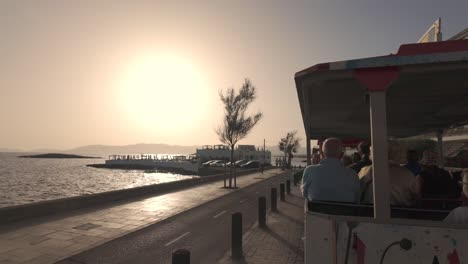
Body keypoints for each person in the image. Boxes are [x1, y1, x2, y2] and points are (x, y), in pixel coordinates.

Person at [360, 141, 422, 207]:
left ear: (374, 152)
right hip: (402, 214)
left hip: (370, 212)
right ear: (398, 154)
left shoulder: (366, 170)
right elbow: (416, 197)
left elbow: (358, 191)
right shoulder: (407, 173)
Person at [301, 138, 360, 203]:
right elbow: (357, 198)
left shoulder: (310, 171)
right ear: (341, 155)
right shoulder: (352, 174)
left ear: (322, 154)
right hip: (345, 212)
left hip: (315, 212)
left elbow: (304, 194)